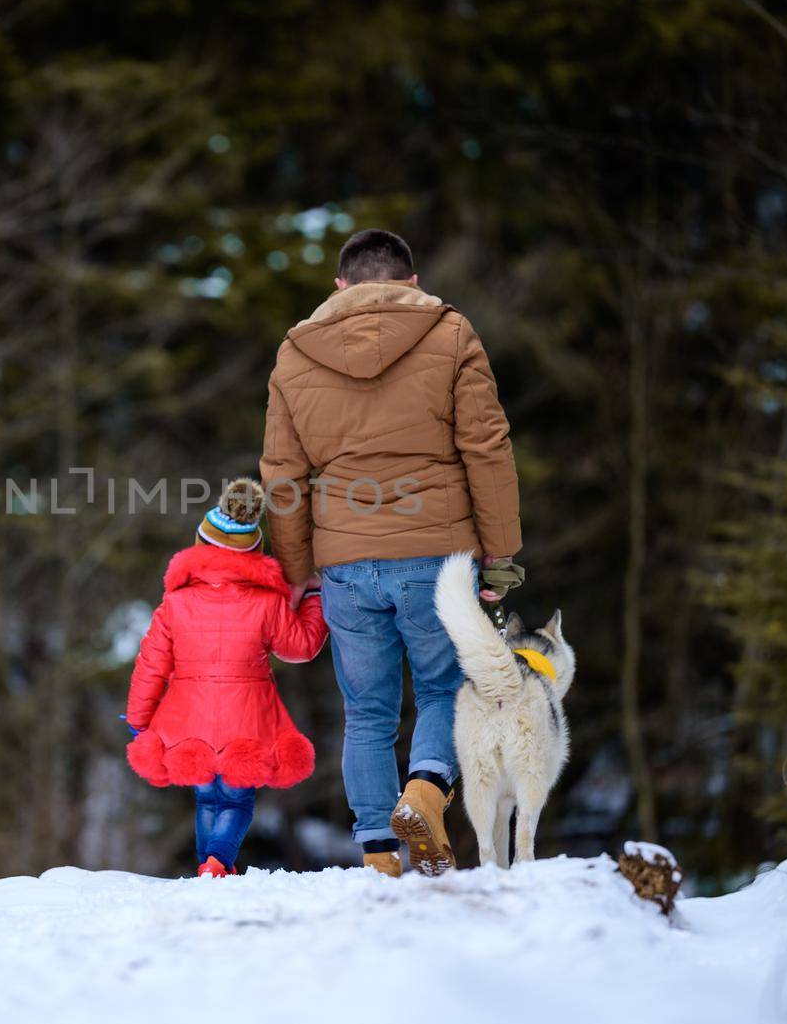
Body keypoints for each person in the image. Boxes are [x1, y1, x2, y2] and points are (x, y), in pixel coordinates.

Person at [259, 228, 525, 877]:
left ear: (340, 288)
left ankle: (380, 855)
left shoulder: (297, 352)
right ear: (412, 283)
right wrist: (501, 555)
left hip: (345, 563)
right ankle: (427, 791)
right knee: (445, 687)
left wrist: (298, 574)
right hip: (436, 553)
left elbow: (283, 476)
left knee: (367, 710)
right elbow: (487, 448)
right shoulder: (452, 332)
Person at [124, 478, 329, 876]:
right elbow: (300, 646)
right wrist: (316, 599)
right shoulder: (267, 602)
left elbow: (151, 664)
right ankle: (217, 863)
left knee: (206, 800)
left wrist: (138, 718)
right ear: (254, 553)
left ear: (199, 548)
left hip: (188, 718)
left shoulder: (175, 603)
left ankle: (209, 866)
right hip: (247, 718)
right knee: (236, 801)